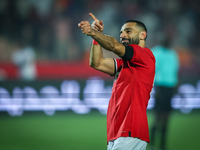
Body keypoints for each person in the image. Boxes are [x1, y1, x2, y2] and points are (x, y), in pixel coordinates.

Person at [78, 13, 155, 150]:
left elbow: (114, 46)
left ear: (143, 35)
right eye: (121, 32)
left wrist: (93, 32)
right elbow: (97, 63)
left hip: (131, 130)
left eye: (128, 31)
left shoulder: (145, 55)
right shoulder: (123, 64)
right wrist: (95, 37)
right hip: (117, 132)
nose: (123, 34)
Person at [149, 35, 179, 150]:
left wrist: (176, 85)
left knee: (166, 117)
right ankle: (152, 144)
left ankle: (162, 144)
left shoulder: (172, 54)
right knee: (158, 117)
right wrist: (155, 88)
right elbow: (152, 70)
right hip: (160, 87)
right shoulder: (157, 52)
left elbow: (175, 71)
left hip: (169, 88)